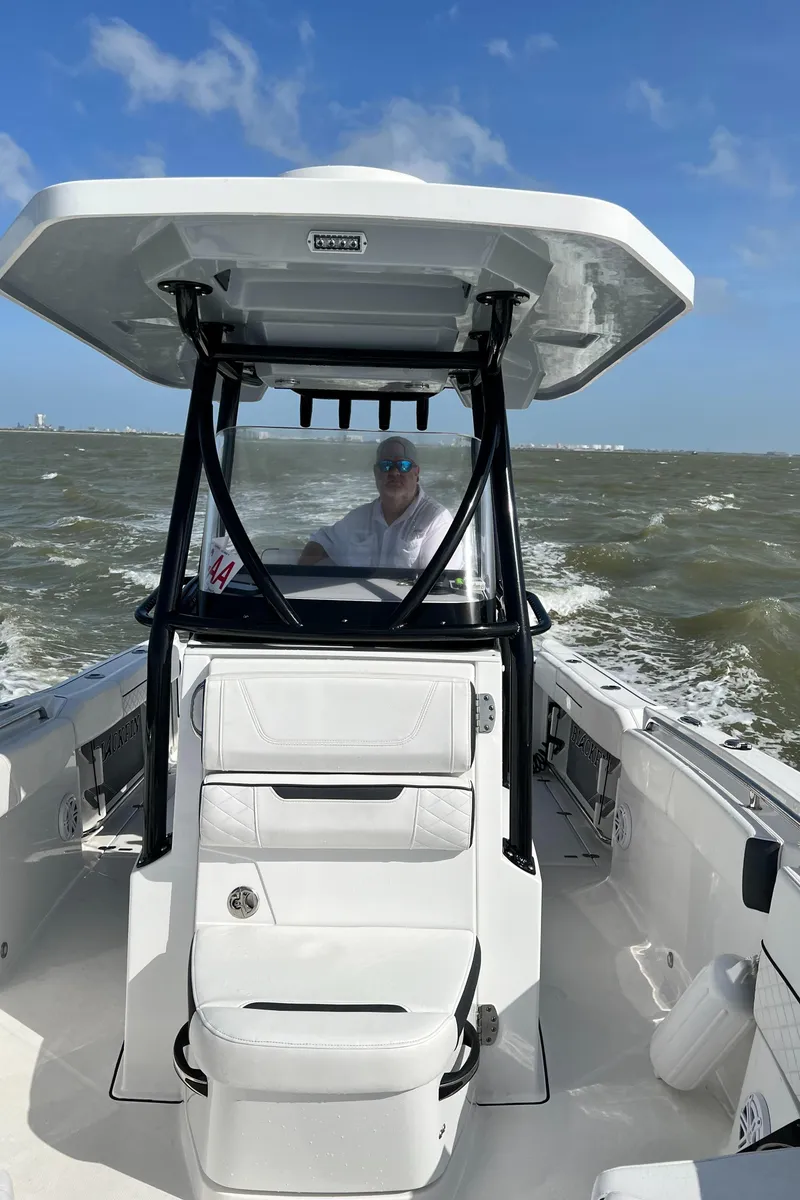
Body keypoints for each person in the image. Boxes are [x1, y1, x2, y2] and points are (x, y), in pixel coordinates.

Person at [298, 436, 461, 569]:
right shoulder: (359, 518)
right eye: (386, 465)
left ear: (417, 473)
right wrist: (300, 576)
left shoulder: (437, 522)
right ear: (376, 473)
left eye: (403, 465)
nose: (394, 472)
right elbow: (321, 541)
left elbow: (438, 586)